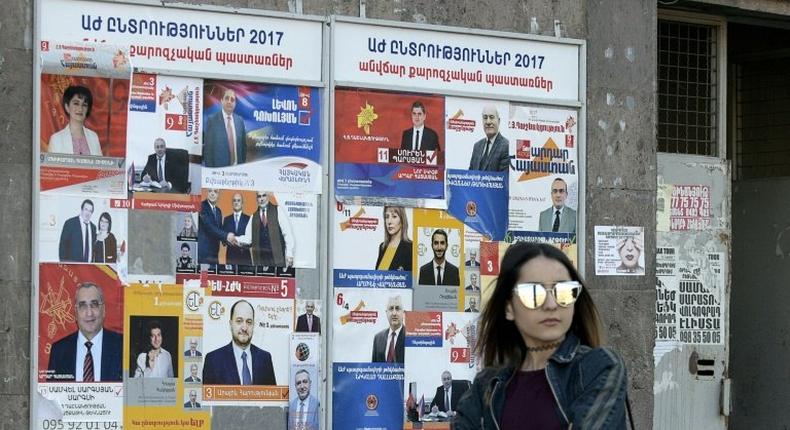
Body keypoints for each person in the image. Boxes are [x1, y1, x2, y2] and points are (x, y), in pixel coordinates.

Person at [453, 242, 629, 429]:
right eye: (533, 293)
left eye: (564, 291)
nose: (551, 304)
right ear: (509, 308)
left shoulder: (597, 368)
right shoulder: (486, 386)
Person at [47, 282, 123, 382]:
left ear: (103, 310)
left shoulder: (122, 346)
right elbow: (51, 395)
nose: (89, 313)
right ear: (75, 312)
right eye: (83, 306)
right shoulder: (59, 351)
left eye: (94, 305)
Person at [202, 300, 276, 385]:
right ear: (230, 324)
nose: (244, 328)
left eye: (249, 322)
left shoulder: (265, 358)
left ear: (253, 325)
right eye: (239, 321)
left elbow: (272, 397)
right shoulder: (213, 360)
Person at [237, 191, 294, 268]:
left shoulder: (278, 210)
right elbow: (248, 239)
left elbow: (287, 233)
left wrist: (289, 254)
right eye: (259, 196)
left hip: (277, 259)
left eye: (264, 195)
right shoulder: (253, 216)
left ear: (268, 196)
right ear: (256, 199)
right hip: (260, 261)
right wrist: (234, 239)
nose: (262, 199)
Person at [47, 85, 102, 156]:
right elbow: (52, 167)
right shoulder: (56, 139)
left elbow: (100, 166)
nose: (80, 108)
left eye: (84, 105)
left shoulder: (94, 137)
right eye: (76, 103)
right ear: (67, 107)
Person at [203, 88, 246, 167]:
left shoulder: (240, 121)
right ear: (221, 101)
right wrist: (210, 172)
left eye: (232, 100)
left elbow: (243, 148)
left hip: (237, 171)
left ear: (235, 104)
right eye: (227, 98)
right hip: (219, 172)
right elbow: (208, 151)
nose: (229, 101)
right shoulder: (212, 121)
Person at [198, 189, 235, 265]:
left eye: (215, 192)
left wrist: (228, 241)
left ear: (218, 195)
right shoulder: (201, 206)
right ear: (206, 193)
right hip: (203, 254)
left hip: (215, 255)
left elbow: (219, 230)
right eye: (210, 191)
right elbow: (209, 226)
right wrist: (226, 236)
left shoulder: (218, 211)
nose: (212, 194)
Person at [468, 105, 509, 172]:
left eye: (491, 117)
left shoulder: (506, 146)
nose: (488, 122)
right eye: (485, 118)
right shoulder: (477, 146)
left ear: (498, 121)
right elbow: (470, 174)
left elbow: (503, 178)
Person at [375, 206, 412, 271]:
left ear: (402, 220)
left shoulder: (410, 247)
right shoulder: (382, 247)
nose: (389, 221)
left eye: (394, 216)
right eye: (387, 217)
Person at [371, 295, 405, 363]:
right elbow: (374, 368)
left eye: (397, 309)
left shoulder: (410, 337)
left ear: (403, 313)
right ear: (386, 313)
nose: (394, 313)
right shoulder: (378, 338)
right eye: (391, 308)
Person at [222, 193, 252, 265]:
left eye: (238, 200)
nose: (236, 202)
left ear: (242, 203)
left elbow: (252, 240)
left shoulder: (249, 219)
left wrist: (241, 243)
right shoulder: (227, 219)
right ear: (232, 203)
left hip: (245, 257)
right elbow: (223, 240)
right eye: (234, 200)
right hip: (231, 257)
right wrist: (230, 241)